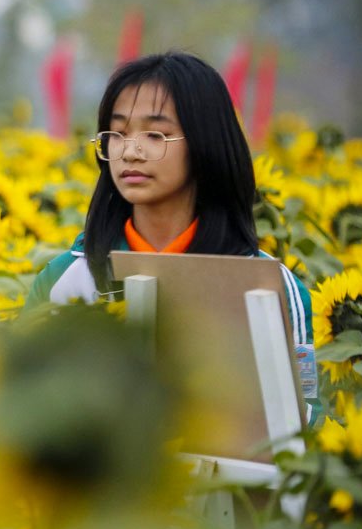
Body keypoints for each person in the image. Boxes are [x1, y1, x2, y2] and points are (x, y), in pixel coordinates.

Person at [25, 51, 312, 347]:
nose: (130, 152)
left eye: (155, 134)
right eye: (119, 133)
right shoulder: (66, 278)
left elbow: (293, 394)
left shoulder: (265, 286)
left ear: (205, 143)